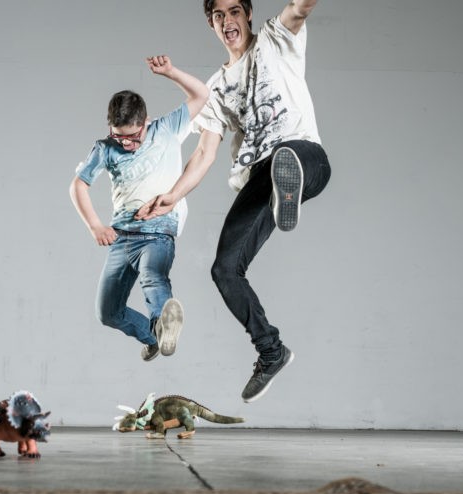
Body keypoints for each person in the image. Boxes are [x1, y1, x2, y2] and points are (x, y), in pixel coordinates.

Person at [136, 0, 331, 402]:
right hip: (260, 177)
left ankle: (289, 185)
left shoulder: (276, 39)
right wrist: (172, 195)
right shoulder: (216, 88)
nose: (228, 21)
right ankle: (271, 351)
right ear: (212, 24)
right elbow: (204, 153)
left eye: (234, 12)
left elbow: (300, 7)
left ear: (248, 15)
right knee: (225, 269)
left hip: (305, 155)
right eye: (219, 16)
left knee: (287, 155)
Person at [69, 55, 208, 362]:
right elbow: (78, 186)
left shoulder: (167, 128)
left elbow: (201, 95)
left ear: (146, 122)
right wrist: (95, 226)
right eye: (119, 136)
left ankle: (163, 324)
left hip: (158, 231)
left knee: (152, 275)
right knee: (107, 312)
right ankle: (153, 337)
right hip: (122, 237)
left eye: (133, 137)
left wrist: (171, 72)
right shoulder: (105, 148)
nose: (126, 144)